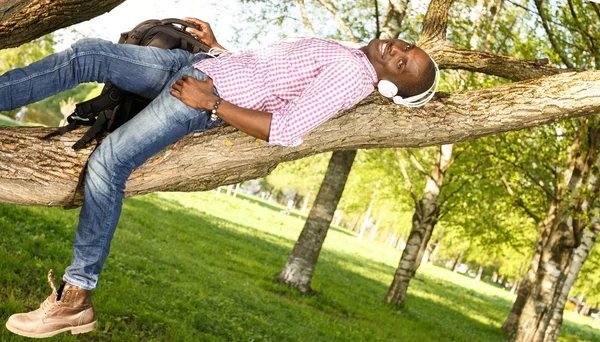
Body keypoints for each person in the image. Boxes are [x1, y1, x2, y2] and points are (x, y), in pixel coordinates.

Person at [0, 17, 439, 338]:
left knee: (107, 165)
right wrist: (219, 49)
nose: (396, 51)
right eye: (405, 48)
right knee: (89, 54)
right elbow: (269, 77)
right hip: (198, 70)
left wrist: (211, 106)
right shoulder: (347, 54)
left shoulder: (353, 75)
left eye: (403, 64)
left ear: (389, 88)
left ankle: (75, 299)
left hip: (197, 97)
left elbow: (284, 128)